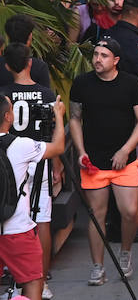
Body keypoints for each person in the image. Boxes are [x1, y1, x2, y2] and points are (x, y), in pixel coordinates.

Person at [69, 38, 138, 286]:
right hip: (94, 162)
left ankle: (125, 253)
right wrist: (81, 151)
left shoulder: (131, 84)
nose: (97, 59)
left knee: (130, 212)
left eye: (104, 55)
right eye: (96, 54)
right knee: (97, 215)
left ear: (115, 60)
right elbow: (74, 118)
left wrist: (126, 150)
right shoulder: (82, 83)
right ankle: (98, 266)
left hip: (124, 161)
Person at [0, 91, 65, 300]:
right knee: (33, 282)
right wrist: (59, 116)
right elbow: (58, 147)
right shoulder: (21, 145)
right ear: (8, 117)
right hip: (17, 229)